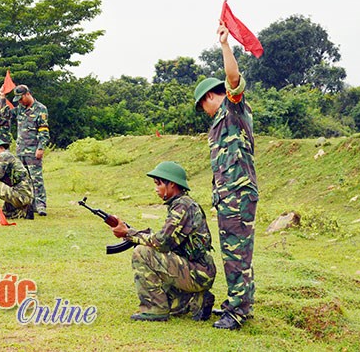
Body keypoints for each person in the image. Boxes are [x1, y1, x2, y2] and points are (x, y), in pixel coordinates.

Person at [193, 22, 259, 330]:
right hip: (228, 196)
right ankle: (238, 304)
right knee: (235, 252)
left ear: (209, 97)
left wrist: (224, 45)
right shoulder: (220, 122)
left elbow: (233, 79)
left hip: (238, 195)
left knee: (237, 255)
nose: (203, 111)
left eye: (201, 106)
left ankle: (238, 312)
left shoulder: (232, 109)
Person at [110, 161, 216, 323]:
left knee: (142, 252)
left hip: (198, 272)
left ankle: (155, 310)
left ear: (171, 184)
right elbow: (168, 240)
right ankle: (197, 300)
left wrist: (129, 234)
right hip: (198, 269)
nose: (156, 189)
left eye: (158, 184)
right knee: (173, 307)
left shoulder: (182, 206)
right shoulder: (183, 204)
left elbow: (162, 242)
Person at [11, 84, 49, 216]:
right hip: (20, 150)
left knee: (36, 179)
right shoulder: (19, 109)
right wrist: (2, 98)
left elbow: (44, 131)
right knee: (23, 180)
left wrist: (41, 148)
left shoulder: (40, 109)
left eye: (21, 98)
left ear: (27, 94)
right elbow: (5, 114)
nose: (20, 102)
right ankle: (28, 205)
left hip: (33, 150)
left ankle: (41, 205)